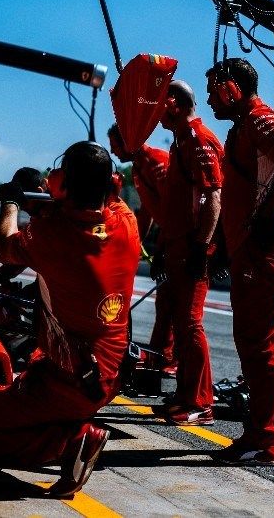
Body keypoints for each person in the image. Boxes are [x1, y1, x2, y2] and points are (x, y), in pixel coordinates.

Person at [0, 141, 140, 498]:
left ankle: (73, 441)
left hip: (66, 379)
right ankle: (69, 429)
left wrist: (12, 202)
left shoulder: (55, 236)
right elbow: (106, 194)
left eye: (60, 170)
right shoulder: (126, 222)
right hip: (109, 372)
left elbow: (5, 247)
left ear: (65, 184)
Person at [205, 58, 274, 466]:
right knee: (263, 345)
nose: (212, 98)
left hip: (266, 248)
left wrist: (264, 217)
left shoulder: (259, 120)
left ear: (232, 89)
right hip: (255, 248)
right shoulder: (244, 125)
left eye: (215, 89)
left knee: (255, 347)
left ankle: (262, 441)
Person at [154, 80, 222, 425]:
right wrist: (162, 244)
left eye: (159, 106)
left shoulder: (197, 140)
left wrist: (201, 247)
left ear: (175, 104)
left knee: (191, 325)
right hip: (178, 245)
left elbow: (213, 197)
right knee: (181, 326)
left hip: (194, 247)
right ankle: (186, 396)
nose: (155, 114)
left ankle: (200, 403)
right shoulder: (181, 139)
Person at [107, 124, 176, 374]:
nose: (113, 152)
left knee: (179, 306)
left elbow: (174, 211)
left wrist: (162, 250)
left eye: (115, 145)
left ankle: (171, 359)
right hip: (171, 241)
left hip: (183, 241)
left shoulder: (157, 161)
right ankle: (162, 356)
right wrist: (134, 244)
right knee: (165, 302)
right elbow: (147, 211)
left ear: (128, 140)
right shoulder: (138, 167)